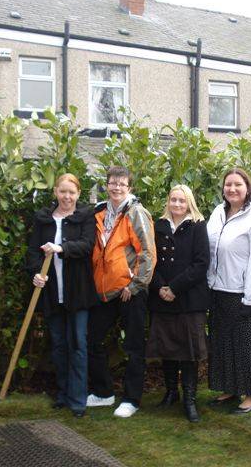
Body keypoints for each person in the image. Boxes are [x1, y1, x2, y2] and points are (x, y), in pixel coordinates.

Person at [26, 173, 98, 418]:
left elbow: (87, 246)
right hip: (51, 292)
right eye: (62, 191)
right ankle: (63, 393)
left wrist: (61, 248)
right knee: (58, 344)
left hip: (78, 293)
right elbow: (33, 253)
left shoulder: (85, 217)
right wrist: (36, 274)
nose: (67, 197)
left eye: (72, 192)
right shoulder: (44, 220)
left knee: (78, 343)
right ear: (55, 191)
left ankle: (78, 400)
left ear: (78, 194)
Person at [87, 166, 156, 418]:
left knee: (134, 346)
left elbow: (147, 252)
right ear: (106, 185)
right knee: (92, 339)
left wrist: (135, 285)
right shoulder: (99, 212)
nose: (117, 187)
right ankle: (104, 393)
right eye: (113, 183)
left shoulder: (136, 213)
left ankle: (131, 399)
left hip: (130, 291)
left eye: (122, 184)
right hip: (104, 290)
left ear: (130, 188)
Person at [206, 167, 251, 414]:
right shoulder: (218, 212)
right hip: (218, 288)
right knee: (222, 343)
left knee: (245, 345)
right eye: (228, 185)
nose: (232, 189)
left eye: (238, 185)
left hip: (242, 292)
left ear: (248, 187)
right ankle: (229, 388)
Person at [146, 185, 210, 422]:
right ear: (168, 201)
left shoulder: (198, 226)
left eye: (182, 200)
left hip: (189, 299)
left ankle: (189, 399)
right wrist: (161, 287)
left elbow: (201, 263)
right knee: (167, 349)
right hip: (161, 298)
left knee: (189, 352)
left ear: (189, 202)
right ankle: (171, 392)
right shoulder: (158, 225)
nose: (177, 204)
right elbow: (150, 259)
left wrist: (174, 288)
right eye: (173, 199)